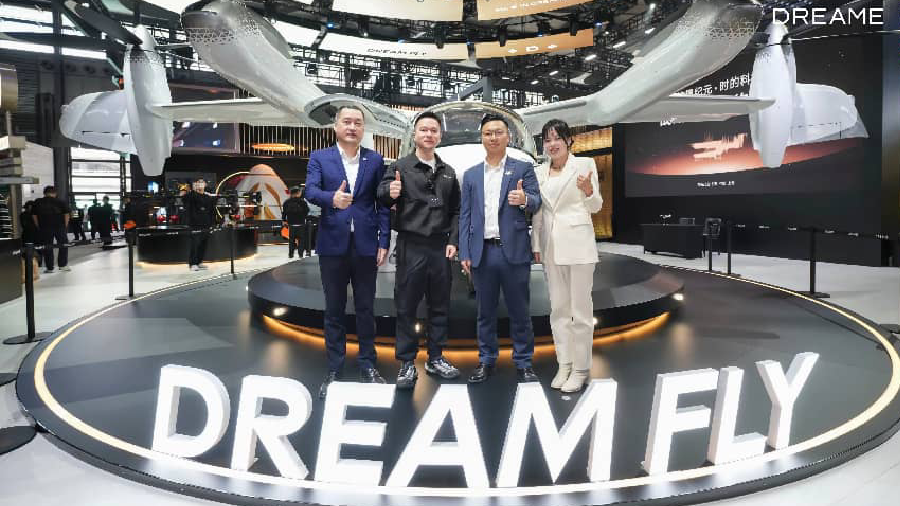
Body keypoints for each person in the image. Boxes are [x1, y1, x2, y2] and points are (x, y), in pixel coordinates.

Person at [304, 104, 391, 398]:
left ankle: (368, 364)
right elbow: (310, 191)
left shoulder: (374, 160)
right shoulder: (320, 157)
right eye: (347, 122)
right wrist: (332, 198)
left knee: (366, 309)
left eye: (357, 123)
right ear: (336, 126)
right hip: (332, 244)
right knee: (334, 308)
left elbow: (382, 204)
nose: (352, 127)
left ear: (363, 128)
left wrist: (384, 241)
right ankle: (335, 367)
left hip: (366, 245)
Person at [376, 111, 461, 389]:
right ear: (415, 135)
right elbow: (381, 194)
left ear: (440, 136)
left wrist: (453, 240)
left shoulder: (448, 171)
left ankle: (436, 357)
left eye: (433, 130)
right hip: (410, 245)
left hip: (440, 247)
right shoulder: (399, 167)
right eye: (423, 129)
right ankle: (406, 363)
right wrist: (390, 192)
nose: (428, 134)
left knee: (440, 305)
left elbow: (457, 211)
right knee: (406, 306)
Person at [458, 114, 541, 384]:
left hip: (514, 250)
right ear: (481, 138)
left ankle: (524, 362)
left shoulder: (522, 168)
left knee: (520, 311)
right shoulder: (471, 175)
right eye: (487, 133)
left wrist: (525, 198)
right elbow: (465, 216)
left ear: (508, 136)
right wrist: (465, 251)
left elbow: (536, 201)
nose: (493, 137)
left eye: (498, 132)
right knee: (485, 313)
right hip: (483, 252)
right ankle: (486, 360)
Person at [532, 119, 604, 393]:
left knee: (581, 312)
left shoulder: (584, 165)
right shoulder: (539, 171)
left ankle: (581, 368)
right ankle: (564, 364)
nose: (552, 144)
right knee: (559, 310)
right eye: (547, 140)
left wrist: (589, 190)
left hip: (578, 245)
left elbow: (596, 206)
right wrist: (535, 244)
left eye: (557, 138)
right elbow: (539, 211)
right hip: (550, 246)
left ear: (568, 140)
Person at [32, 185, 71, 273]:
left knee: (47, 246)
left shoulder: (38, 202)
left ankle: (50, 267)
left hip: (44, 227)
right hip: (59, 226)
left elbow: (34, 216)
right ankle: (62, 265)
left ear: (44, 193)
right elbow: (66, 214)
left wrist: (38, 226)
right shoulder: (60, 201)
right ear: (55, 193)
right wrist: (65, 226)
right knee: (63, 244)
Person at [183, 178, 216, 271]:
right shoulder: (192, 195)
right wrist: (192, 190)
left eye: (202, 182)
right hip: (195, 225)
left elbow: (211, 210)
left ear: (205, 184)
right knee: (195, 244)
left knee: (203, 244)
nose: (200, 184)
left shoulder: (208, 197)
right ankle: (193, 263)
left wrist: (212, 223)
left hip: (206, 224)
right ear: (196, 184)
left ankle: (199, 262)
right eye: (198, 182)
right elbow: (185, 199)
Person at [282, 185, 310, 258]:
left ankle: (291, 254)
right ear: (298, 193)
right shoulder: (303, 202)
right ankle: (300, 254)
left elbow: (284, 212)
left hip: (291, 223)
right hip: (301, 223)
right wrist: (303, 217)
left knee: (291, 239)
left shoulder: (286, 202)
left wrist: (284, 220)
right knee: (301, 239)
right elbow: (307, 211)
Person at [20, 201, 42, 267]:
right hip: (36, 234)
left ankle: (28, 264)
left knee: (27, 250)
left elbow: (24, 225)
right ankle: (38, 264)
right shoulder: (37, 214)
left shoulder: (23, 214)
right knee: (38, 249)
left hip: (27, 234)